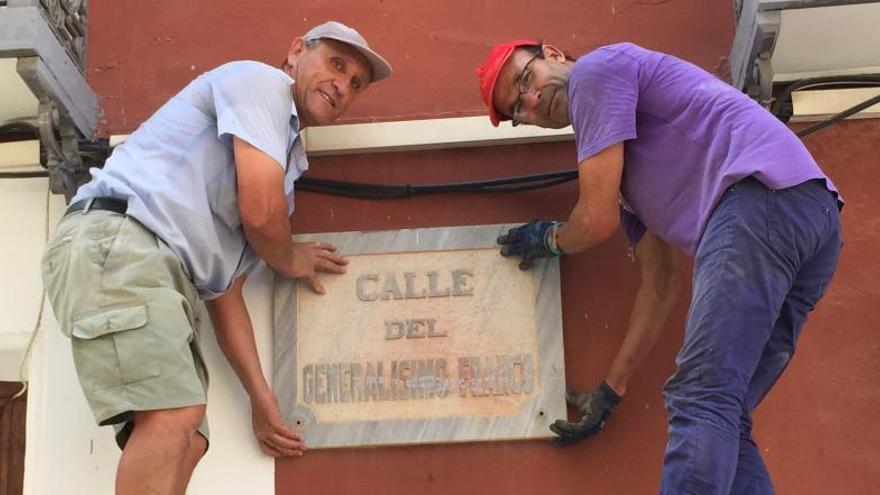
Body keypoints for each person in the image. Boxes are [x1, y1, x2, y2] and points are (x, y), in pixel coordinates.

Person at [40, 21, 391, 495]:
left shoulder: (281, 169)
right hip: (121, 241)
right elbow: (261, 217)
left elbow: (226, 294)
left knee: (189, 441)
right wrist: (291, 259)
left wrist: (261, 399)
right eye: (336, 63)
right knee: (174, 414)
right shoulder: (261, 84)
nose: (342, 85)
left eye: (355, 84)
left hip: (163, 274)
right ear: (295, 52)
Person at [476, 40, 842, 494]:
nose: (531, 100)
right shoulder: (621, 168)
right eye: (519, 110)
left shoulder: (595, 71)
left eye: (525, 79)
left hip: (758, 199)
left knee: (701, 397)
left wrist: (550, 239)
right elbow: (660, 283)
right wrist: (612, 389)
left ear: (552, 54)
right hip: (809, 216)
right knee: (724, 413)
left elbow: (594, 220)